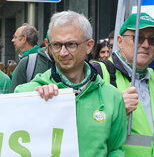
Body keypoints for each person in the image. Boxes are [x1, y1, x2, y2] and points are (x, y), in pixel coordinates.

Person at [14, 10, 127, 157]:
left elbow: (115, 150)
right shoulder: (29, 92)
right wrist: (34, 102)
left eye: (71, 44)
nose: (63, 52)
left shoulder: (112, 97)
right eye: (56, 45)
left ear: (89, 45)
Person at [92, 12, 154, 156]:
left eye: (152, 40)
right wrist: (117, 109)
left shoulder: (153, 79)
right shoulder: (99, 72)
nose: (146, 45)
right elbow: (81, 125)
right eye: (138, 38)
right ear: (120, 41)